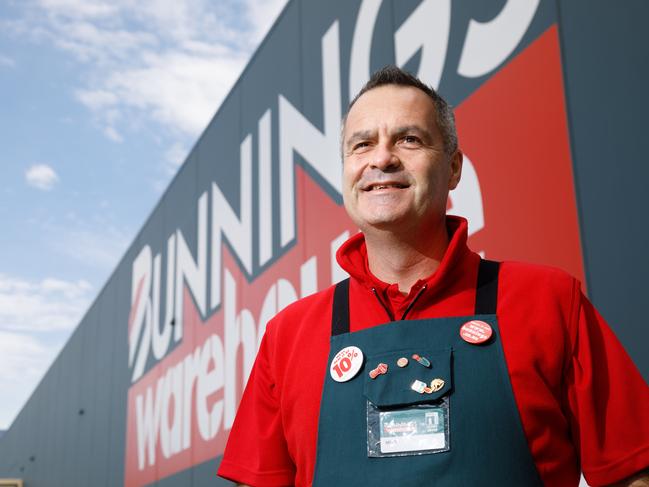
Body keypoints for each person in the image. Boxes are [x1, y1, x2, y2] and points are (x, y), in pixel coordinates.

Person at [217, 66, 649, 486]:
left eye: (409, 139)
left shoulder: (551, 301)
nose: (382, 158)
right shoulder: (287, 336)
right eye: (362, 144)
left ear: (454, 168)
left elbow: (632, 473)